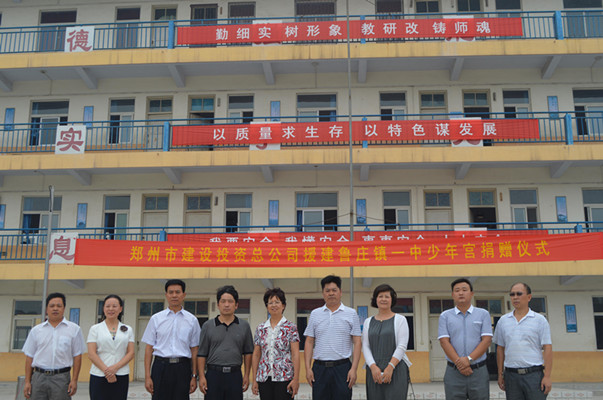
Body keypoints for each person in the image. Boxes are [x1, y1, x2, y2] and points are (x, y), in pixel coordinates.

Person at [304, 275, 362, 400]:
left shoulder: (351, 313)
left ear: (340, 292)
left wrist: (354, 369)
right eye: (327, 290)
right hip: (319, 369)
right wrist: (308, 368)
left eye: (334, 290)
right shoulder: (315, 314)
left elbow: (357, 342)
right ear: (323, 293)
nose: (331, 293)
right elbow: (309, 341)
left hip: (342, 369)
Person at [142, 279, 200, 400]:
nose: (174, 295)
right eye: (171, 292)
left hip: (182, 368)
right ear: (166, 295)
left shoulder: (192, 320)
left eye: (177, 292)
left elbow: (195, 350)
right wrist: (147, 376)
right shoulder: (156, 319)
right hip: (160, 367)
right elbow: (149, 349)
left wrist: (194, 376)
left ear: (184, 295)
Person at [494, 283, 553, 400]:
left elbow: (547, 348)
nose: (515, 297)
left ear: (529, 297)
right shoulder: (503, 321)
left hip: (534, 376)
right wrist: (500, 374)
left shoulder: (540, 320)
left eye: (519, 294)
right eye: (512, 294)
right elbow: (500, 348)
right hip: (511, 376)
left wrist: (547, 376)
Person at [22, 292, 86, 400]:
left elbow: (77, 356)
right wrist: (27, 381)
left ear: (64, 308)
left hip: (61, 378)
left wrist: (74, 380)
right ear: (47, 309)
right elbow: (29, 357)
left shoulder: (74, 329)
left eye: (59, 306)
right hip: (38, 378)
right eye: (52, 306)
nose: (55, 308)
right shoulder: (36, 331)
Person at [438, 278, 492, 400]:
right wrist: (460, 363)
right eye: (457, 290)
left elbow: (486, 340)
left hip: (478, 371)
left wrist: (469, 359)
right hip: (454, 372)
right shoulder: (445, 316)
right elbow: (444, 342)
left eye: (464, 290)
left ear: (471, 293)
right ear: (452, 295)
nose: (461, 293)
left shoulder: (483, 314)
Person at [198, 285, 254, 400]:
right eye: (223, 301)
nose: (227, 305)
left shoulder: (244, 326)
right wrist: (202, 376)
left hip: (235, 375)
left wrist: (247, 375)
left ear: (236, 305)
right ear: (218, 305)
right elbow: (202, 354)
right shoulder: (208, 326)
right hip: (213, 375)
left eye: (230, 301)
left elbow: (248, 353)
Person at [362, 284, 411, 400]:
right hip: (374, 370)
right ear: (375, 299)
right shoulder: (368, 321)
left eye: (387, 296)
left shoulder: (400, 320)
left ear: (392, 299)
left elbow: (402, 346)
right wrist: (373, 367)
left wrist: (390, 367)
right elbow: (365, 346)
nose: (383, 299)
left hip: (396, 369)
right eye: (380, 296)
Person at [251, 288, 300, 400]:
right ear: (267, 306)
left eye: (277, 302)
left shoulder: (291, 327)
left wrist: (296, 379)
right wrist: (254, 379)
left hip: (284, 377)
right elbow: (256, 354)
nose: (274, 305)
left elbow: (295, 354)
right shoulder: (260, 328)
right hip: (264, 378)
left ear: (283, 305)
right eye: (270, 303)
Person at [87, 294, 135, 400]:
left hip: (121, 374)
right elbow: (91, 353)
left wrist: (115, 368)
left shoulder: (128, 329)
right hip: (99, 374)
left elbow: (131, 353)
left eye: (114, 306)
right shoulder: (95, 329)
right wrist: (107, 371)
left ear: (120, 309)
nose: (111, 309)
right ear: (103, 308)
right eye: (107, 306)